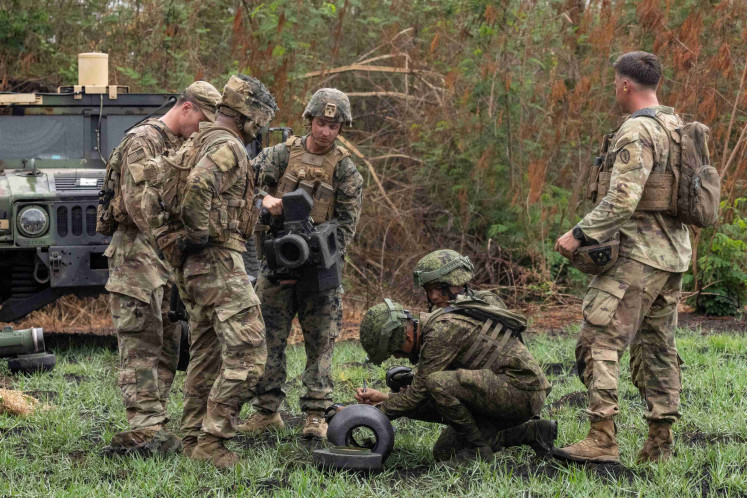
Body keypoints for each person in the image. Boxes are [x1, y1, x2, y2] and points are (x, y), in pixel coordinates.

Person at [553, 51, 689, 464]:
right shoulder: (675, 124)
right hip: (674, 255)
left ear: (626, 85)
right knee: (658, 347)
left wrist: (579, 234)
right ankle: (659, 443)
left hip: (637, 255)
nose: (615, 89)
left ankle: (602, 437)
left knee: (600, 340)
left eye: (616, 83)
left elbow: (623, 198)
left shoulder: (636, 132)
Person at [238, 88, 363, 440]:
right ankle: (266, 411)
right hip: (276, 261)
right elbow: (244, 189)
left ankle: (315, 414)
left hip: (320, 269)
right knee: (267, 339)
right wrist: (267, 201)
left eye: (334, 126)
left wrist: (316, 245)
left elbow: (347, 225)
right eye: (322, 123)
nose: (326, 132)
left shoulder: (346, 171)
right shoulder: (278, 155)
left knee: (321, 343)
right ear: (309, 119)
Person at [104, 81, 221, 453]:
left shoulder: (181, 144)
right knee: (141, 339)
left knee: (170, 339)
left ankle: (155, 422)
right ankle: (143, 424)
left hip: (166, 255)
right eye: (201, 119)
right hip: (137, 253)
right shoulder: (145, 140)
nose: (203, 129)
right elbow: (139, 207)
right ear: (186, 108)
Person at [168, 74, 278, 467]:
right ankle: (212, 443)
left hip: (194, 266)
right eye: (260, 120)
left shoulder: (199, 138)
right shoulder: (228, 146)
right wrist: (200, 236)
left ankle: (193, 437)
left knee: (207, 353)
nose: (260, 128)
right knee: (250, 355)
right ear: (248, 116)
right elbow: (198, 188)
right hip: (215, 261)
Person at [355, 291, 556, 465]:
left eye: (396, 351)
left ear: (407, 337)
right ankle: (533, 432)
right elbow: (423, 396)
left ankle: (479, 451)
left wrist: (363, 414)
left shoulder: (440, 332)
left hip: (522, 390)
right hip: (505, 390)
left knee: (437, 383)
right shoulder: (432, 331)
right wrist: (385, 399)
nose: (398, 357)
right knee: (445, 452)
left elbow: (418, 394)